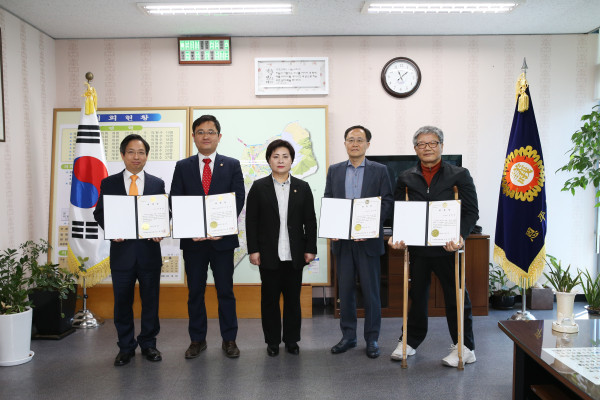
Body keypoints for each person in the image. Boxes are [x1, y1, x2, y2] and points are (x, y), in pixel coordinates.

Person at [388, 125, 479, 368]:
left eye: (432, 143)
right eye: (421, 144)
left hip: (448, 247)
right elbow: (399, 211)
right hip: (418, 248)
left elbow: (471, 211)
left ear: (441, 146)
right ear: (415, 148)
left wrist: (461, 236)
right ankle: (409, 340)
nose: (427, 148)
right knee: (416, 296)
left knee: (456, 296)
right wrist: (397, 235)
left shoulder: (459, 175)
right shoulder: (406, 177)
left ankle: (465, 347)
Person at [170, 115, 245, 359]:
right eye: (200, 132)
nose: (206, 136)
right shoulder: (183, 166)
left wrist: (221, 228)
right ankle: (197, 340)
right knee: (195, 292)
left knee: (225, 291)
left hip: (222, 242)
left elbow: (238, 198)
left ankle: (229, 339)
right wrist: (191, 229)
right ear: (193, 136)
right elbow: (175, 199)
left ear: (219, 137)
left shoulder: (231, 164)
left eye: (211, 132)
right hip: (193, 243)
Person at [94, 134, 165, 366]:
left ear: (147, 156)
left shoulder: (157, 183)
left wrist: (161, 229)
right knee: (122, 303)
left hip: (149, 254)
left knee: (150, 302)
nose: (137, 157)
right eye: (132, 152)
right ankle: (125, 347)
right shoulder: (109, 183)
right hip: (122, 254)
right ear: (123, 155)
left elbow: (163, 212)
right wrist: (112, 229)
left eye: (141, 152)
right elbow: (99, 212)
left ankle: (149, 344)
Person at [324, 125, 393, 359]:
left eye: (359, 140)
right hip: (343, 242)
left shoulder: (380, 170)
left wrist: (371, 226)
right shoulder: (334, 170)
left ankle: (372, 338)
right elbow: (329, 200)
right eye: (350, 139)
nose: (355, 144)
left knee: (371, 292)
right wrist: (333, 227)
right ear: (345, 143)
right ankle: (348, 336)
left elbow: (387, 201)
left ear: (368, 144)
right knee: (345, 291)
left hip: (368, 241)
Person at [245, 139, 317, 357]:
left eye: (285, 156)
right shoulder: (259, 187)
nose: (280, 160)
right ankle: (273, 341)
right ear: (269, 160)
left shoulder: (302, 187)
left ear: (292, 160)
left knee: (293, 300)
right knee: (270, 300)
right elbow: (251, 221)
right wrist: (253, 250)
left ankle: (292, 340)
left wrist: (311, 248)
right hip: (269, 254)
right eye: (275, 156)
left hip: (295, 254)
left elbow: (310, 221)